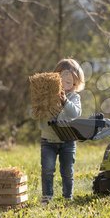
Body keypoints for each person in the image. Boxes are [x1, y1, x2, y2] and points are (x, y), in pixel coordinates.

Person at [39, 58, 84, 203]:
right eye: (61, 82)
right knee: (47, 169)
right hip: (48, 140)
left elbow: (74, 113)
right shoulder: (47, 97)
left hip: (68, 140)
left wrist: (65, 101)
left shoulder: (74, 97)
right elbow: (36, 113)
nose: (65, 86)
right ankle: (47, 196)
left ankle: (67, 197)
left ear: (76, 84)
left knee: (67, 171)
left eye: (69, 83)